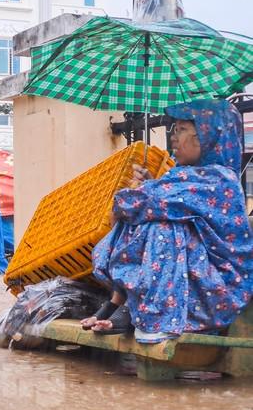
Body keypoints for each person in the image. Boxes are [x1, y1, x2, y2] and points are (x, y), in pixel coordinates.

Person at [81, 99, 253, 343]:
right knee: (153, 217)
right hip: (187, 280)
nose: (173, 136)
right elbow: (150, 202)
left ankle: (154, 316)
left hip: (216, 288)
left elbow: (133, 204)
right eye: (174, 129)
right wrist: (149, 185)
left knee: (162, 225)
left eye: (182, 130)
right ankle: (121, 303)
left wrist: (144, 191)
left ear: (207, 137)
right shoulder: (185, 175)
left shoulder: (217, 179)